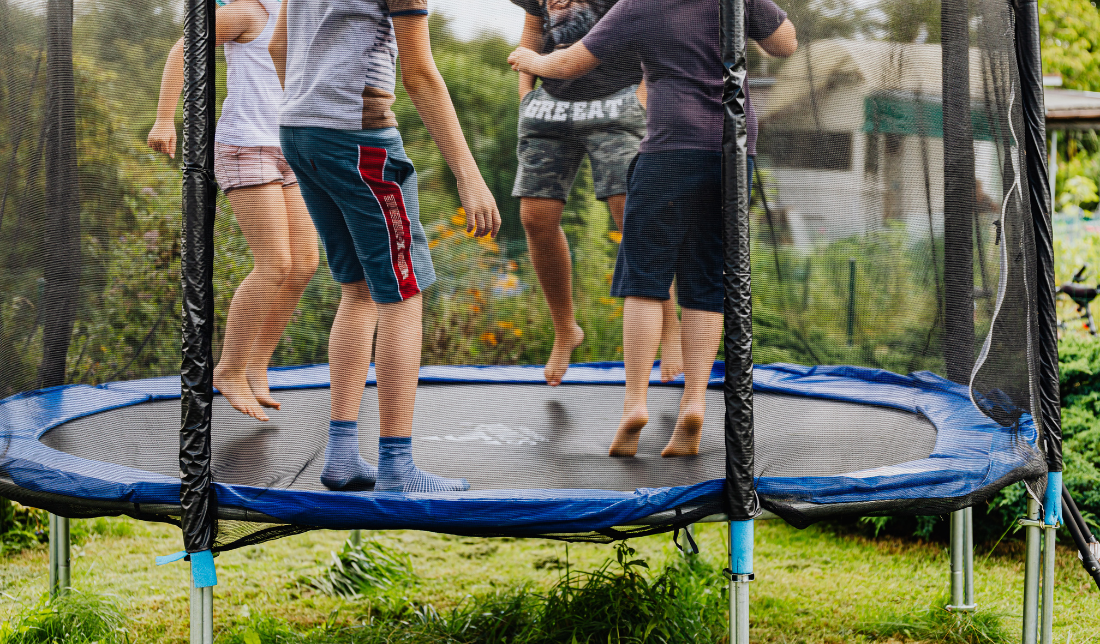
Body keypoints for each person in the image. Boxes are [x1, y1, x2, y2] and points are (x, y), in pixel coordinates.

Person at [509, 0, 797, 457]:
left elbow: (569, 63)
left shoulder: (640, 4)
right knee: (705, 282)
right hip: (734, 152)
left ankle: (634, 405)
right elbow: (785, 43)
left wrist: (531, 61)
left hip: (669, 150)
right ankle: (695, 403)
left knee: (644, 280)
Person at [268, 0, 501, 491]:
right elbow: (419, 73)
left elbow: (277, 46)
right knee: (403, 292)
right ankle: (397, 466)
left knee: (357, 290)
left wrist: (314, 101)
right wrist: (470, 176)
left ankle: (342, 457)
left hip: (299, 131)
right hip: (358, 139)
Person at [148, 0, 320, 423]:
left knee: (305, 265)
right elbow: (181, 50)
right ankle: (228, 368)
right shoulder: (246, 13)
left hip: (290, 146)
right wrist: (164, 121)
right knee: (275, 264)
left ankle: (258, 364)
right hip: (246, 146)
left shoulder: (299, 12)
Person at [509, 0, 683, 386]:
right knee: (535, 220)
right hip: (549, 108)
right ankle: (565, 328)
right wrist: (526, 94)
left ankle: (670, 327)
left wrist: (642, 96)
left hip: (616, 102)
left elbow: (652, 28)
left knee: (632, 215)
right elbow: (534, 28)